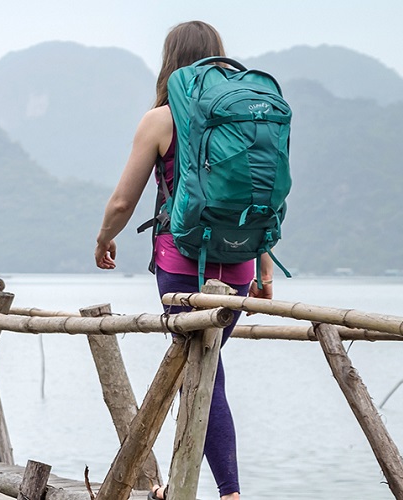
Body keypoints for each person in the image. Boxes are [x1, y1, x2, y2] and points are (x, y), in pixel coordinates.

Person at [93, 20, 276, 500]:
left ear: (169, 59)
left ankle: (228, 492)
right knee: (204, 368)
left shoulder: (161, 117)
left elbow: (121, 203)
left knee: (200, 369)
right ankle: (183, 483)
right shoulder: (245, 116)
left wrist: (103, 240)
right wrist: (264, 266)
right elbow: (257, 192)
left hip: (182, 261)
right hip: (237, 264)